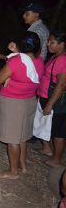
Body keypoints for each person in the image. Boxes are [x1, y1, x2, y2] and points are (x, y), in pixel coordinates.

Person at [0, 32, 44, 179]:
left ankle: (13, 171)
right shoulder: (39, 60)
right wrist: (16, 52)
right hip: (29, 101)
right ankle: (23, 165)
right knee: (22, 136)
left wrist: (6, 78)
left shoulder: (16, 61)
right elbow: (26, 63)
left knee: (13, 139)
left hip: (13, 102)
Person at [36, 30, 66, 167]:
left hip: (55, 101)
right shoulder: (55, 56)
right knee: (45, 124)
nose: (48, 44)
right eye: (49, 41)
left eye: (52, 42)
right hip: (45, 96)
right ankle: (47, 149)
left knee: (58, 130)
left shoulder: (62, 60)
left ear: (62, 44)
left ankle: (57, 159)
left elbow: (61, 84)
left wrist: (50, 104)